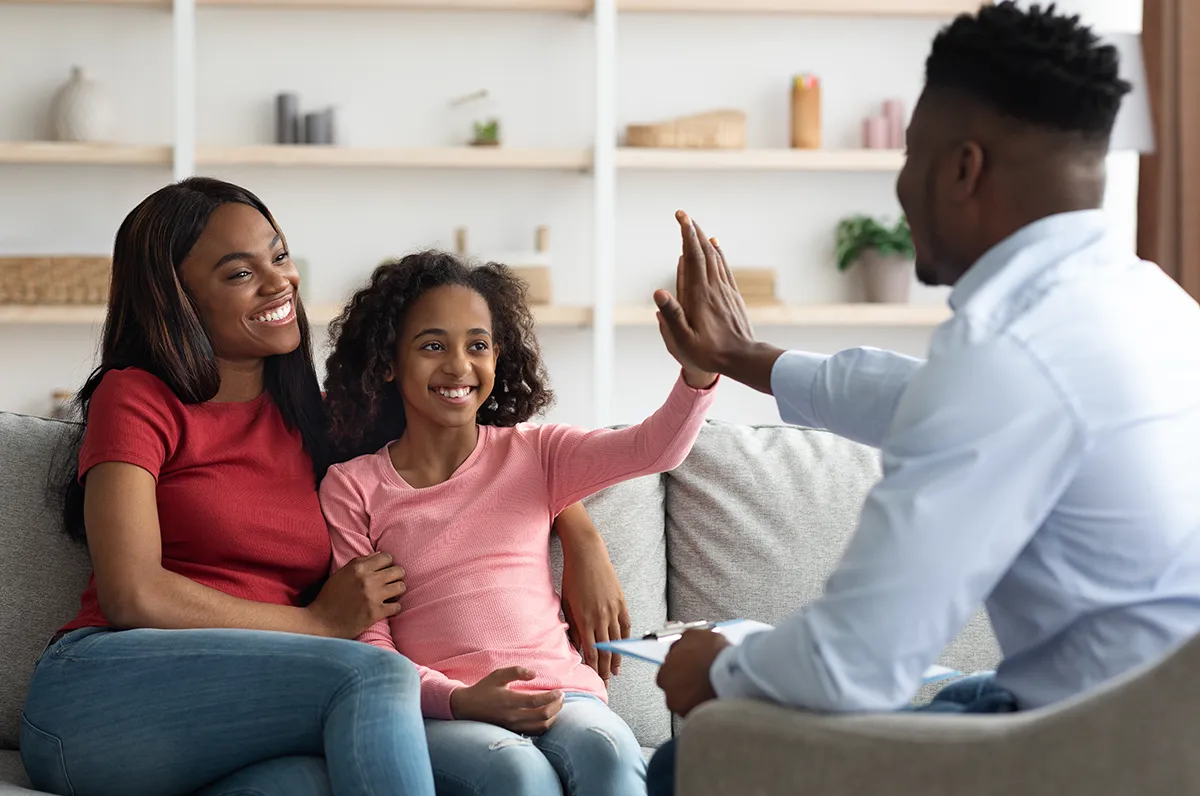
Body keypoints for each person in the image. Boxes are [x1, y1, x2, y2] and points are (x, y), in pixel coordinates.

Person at [645, 2, 1200, 792]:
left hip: (1099, 752)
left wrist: (722, 668)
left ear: (963, 167)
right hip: (1155, 722)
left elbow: (851, 665)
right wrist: (748, 358)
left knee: (691, 757)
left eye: (911, 153)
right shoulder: (1157, 307)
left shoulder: (1010, 354)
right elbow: (923, 398)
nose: (902, 185)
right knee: (963, 692)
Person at [21, 177, 629, 796]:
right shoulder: (137, 396)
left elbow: (478, 453)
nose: (278, 281)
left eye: (279, 257)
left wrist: (580, 535)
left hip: (249, 707)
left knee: (314, 782)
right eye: (238, 273)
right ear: (175, 297)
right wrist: (319, 624)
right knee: (376, 677)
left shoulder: (318, 419)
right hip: (103, 692)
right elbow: (132, 593)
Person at [318, 251, 718, 796]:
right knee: (516, 772)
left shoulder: (537, 452)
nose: (459, 366)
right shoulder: (352, 486)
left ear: (497, 357)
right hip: (447, 709)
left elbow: (655, 449)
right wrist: (458, 699)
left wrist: (698, 371)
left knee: (606, 748)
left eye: (477, 345)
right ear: (388, 361)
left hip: (563, 694)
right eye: (433, 345)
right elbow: (368, 641)